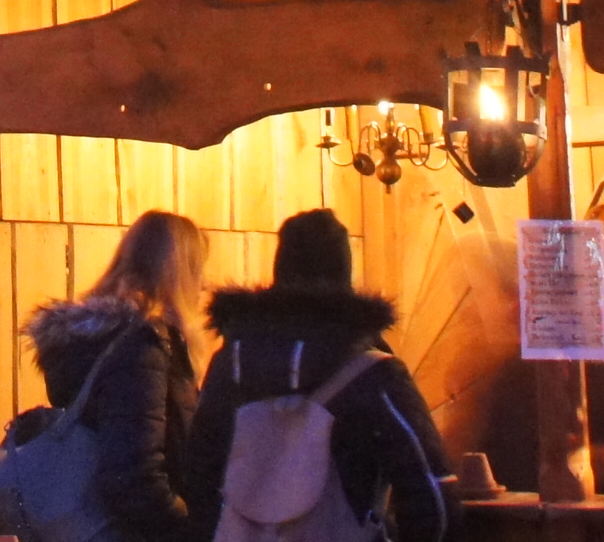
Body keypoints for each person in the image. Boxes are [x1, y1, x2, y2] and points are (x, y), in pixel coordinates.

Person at [179, 209, 450, 542]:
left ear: (279, 269)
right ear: (344, 273)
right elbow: (431, 493)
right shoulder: (371, 372)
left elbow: (196, 475)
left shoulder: (229, 364)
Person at [21, 211, 208, 542]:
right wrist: (192, 533)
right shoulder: (141, 347)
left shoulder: (98, 342)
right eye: (198, 271)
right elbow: (134, 475)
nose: (204, 285)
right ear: (180, 273)